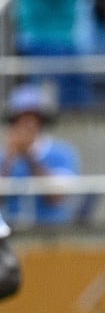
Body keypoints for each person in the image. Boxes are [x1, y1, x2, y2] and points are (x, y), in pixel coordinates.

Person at [0, 84, 85, 228]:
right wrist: (10, 158)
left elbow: (57, 197)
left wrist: (30, 155)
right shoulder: (4, 156)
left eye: (33, 119)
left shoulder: (63, 153)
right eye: (21, 119)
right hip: (8, 233)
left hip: (52, 235)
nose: (27, 125)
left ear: (42, 122)